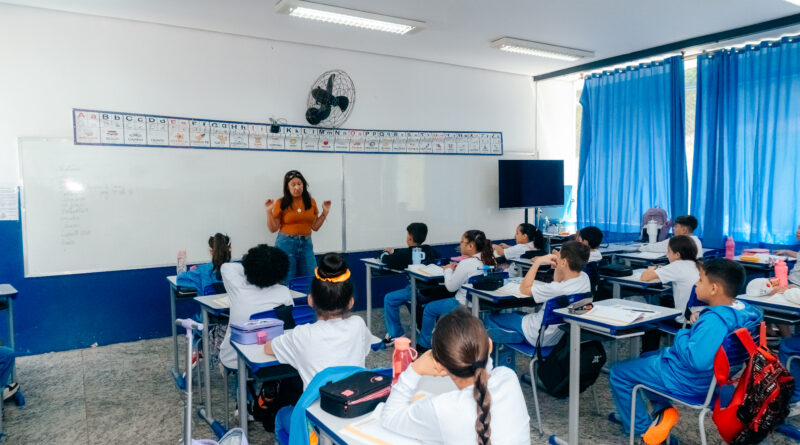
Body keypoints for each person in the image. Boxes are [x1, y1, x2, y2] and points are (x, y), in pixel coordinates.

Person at [608, 259, 762, 445]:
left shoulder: (714, 321)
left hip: (688, 382)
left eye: (700, 280)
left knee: (619, 373)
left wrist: (684, 333)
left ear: (714, 288)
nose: (696, 284)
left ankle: (645, 431)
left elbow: (697, 361)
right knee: (646, 357)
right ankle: (661, 414)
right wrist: (700, 322)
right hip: (718, 380)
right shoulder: (748, 312)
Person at [267, 252, 379, 440]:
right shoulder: (358, 325)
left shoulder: (301, 335)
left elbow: (268, 348)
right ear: (350, 302)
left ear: (311, 300)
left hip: (315, 425)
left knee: (281, 416)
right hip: (354, 415)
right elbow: (366, 347)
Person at [381, 307, 531, 445]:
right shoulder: (509, 378)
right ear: (489, 346)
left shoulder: (441, 408)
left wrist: (415, 369)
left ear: (440, 364)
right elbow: (485, 368)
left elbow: (390, 417)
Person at [483, 241, 591, 347]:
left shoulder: (556, 289)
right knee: (518, 314)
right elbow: (558, 280)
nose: (556, 255)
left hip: (535, 333)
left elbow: (524, 289)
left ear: (564, 262)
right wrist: (559, 267)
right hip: (557, 336)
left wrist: (538, 262)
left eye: (559, 254)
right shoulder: (584, 278)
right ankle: (515, 334)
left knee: (489, 318)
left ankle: (518, 336)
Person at [417, 230, 496, 351]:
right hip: (483, 303)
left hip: (462, 304)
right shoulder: (490, 260)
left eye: (462, 242)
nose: (460, 245)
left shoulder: (466, 263)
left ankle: (424, 344)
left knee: (429, 309)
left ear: (471, 246)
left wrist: (448, 270)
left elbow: (451, 287)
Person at [218, 244, 294, 369]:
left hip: (235, 358)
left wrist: (253, 267)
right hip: (272, 357)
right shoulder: (284, 292)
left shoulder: (238, 286)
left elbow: (227, 266)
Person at [380, 222, 440, 346]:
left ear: (409, 238)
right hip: (434, 290)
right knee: (407, 293)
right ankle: (420, 324)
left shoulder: (405, 254)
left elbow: (386, 260)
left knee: (390, 298)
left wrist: (386, 253)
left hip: (418, 290)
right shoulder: (430, 250)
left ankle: (395, 334)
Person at [266, 170, 331, 282]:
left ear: (304, 185)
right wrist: (268, 212)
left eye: (299, 184)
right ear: (288, 187)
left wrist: (325, 213)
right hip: (286, 244)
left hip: (306, 244)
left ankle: (308, 300)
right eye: (293, 184)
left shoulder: (311, 202)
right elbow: (273, 228)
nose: (297, 187)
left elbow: (315, 227)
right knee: (286, 280)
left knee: (311, 279)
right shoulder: (281, 202)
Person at [640, 235, 700, 321]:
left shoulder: (677, 266)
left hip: (683, 320)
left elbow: (644, 277)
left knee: (651, 309)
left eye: (668, 251)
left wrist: (653, 268)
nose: (667, 255)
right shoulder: (699, 265)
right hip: (698, 317)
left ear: (677, 255)